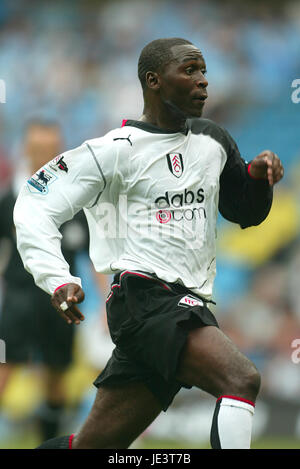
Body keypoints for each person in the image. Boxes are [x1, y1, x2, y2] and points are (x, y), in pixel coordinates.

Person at [13, 38, 284, 449]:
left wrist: (257, 180)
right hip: (144, 300)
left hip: (181, 304)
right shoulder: (111, 152)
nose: (204, 82)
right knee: (241, 378)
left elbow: (243, 212)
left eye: (204, 71)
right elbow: (34, 202)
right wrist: (56, 277)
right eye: (190, 70)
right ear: (154, 80)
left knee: (93, 446)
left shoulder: (213, 140)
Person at [0, 120, 91, 442]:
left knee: (56, 375)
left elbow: (94, 256)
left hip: (62, 300)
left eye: (50, 149)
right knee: (5, 367)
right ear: (26, 149)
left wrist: (110, 303)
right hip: (20, 297)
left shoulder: (77, 200)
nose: (44, 155)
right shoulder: (11, 198)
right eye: (37, 149)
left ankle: (46, 443)